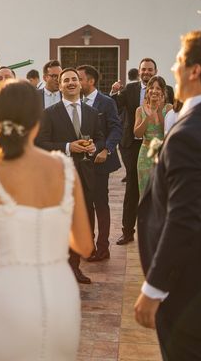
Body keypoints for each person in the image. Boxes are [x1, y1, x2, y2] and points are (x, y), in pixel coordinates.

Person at [0, 80, 94, 360]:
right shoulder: (64, 166)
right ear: (37, 118)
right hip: (61, 294)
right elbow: (84, 245)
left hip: (8, 292)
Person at [134, 28, 201, 360]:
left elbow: (183, 219)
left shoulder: (189, 135)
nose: (174, 68)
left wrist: (153, 288)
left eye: (179, 61)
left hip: (187, 286)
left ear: (195, 71)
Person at [35, 68, 104, 284]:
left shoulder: (92, 113)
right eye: (66, 80)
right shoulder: (49, 113)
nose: (71, 83)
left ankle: (74, 267)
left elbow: (101, 138)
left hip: (86, 175)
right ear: (60, 86)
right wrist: (68, 146)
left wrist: (93, 147)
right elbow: (41, 143)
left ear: (80, 84)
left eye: (74, 79)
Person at [110, 58, 174, 245]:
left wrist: (157, 110)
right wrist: (114, 91)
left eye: (150, 69)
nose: (146, 72)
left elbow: (171, 120)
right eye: (143, 69)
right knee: (132, 187)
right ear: (139, 72)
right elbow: (116, 105)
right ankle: (127, 231)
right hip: (134, 145)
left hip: (160, 146)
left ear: (155, 70)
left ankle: (160, 227)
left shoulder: (168, 90)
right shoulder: (129, 89)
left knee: (161, 186)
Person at [77, 65, 123, 261]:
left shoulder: (107, 102)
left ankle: (103, 248)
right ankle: (88, 245)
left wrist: (107, 149)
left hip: (100, 161)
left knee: (100, 203)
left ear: (90, 81)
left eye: (79, 79)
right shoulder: (75, 102)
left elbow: (116, 129)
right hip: (81, 162)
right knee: (85, 205)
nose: (76, 83)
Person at [134, 76, 172, 196]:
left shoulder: (169, 108)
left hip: (163, 153)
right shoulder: (140, 110)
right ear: (147, 90)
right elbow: (137, 134)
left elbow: (166, 131)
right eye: (151, 88)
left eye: (158, 88)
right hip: (145, 154)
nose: (154, 91)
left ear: (163, 91)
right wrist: (148, 117)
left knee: (162, 191)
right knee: (145, 192)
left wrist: (158, 111)